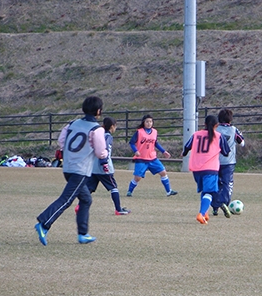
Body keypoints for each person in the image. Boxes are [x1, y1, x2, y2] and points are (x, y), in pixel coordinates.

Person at [34, 96, 108, 245]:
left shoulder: (73, 123)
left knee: (86, 199)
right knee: (66, 199)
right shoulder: (97, 129)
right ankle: (44, 223)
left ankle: (83, 234)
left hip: (67, 167)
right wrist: (105, 154)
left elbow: (61, 141)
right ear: (98, 111)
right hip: (80, 170)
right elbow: (101, 152)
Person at [182, 115, 231, 224]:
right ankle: (201, 213)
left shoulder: (196, 134)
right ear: (216, 125)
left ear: (204, 124)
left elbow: (186, 147)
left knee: (205, 191)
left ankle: (205, 213)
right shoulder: (218, 136)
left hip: (196, 169)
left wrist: (184, 153)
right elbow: (226, 152)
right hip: (210, 168)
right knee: (209, 192)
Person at [85, 117, 131, 215]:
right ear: (112, 126)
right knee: (113, 187)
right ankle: (118, 209)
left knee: (89, 188)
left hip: (94, 167)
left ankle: (80, 206)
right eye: (115, 126)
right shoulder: (107, 136)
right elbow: (104, 150)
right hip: (103, 167)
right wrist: (104, 163)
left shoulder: (98, 134)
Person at [126, 114, 178, 197]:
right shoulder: (139, 132)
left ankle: (169, 191)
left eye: (150, 121)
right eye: (147, 121)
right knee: (137, 178)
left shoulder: (154, 132)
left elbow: (156, 143)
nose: (149, 123)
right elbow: (131, 143)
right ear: (143, 122)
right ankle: (129, 191)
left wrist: (163, 151)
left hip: (152, 158)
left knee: (163, 172)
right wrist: (136, 151)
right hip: (141, 158)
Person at [211, 108, 245, 218]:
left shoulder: (215, 129)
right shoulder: (234, 129)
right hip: (229, 162)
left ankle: (215, 207)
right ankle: (224, 203)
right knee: (227, 183)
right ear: (230, 120)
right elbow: (242, 143)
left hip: (214, 161)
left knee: (215, 183)